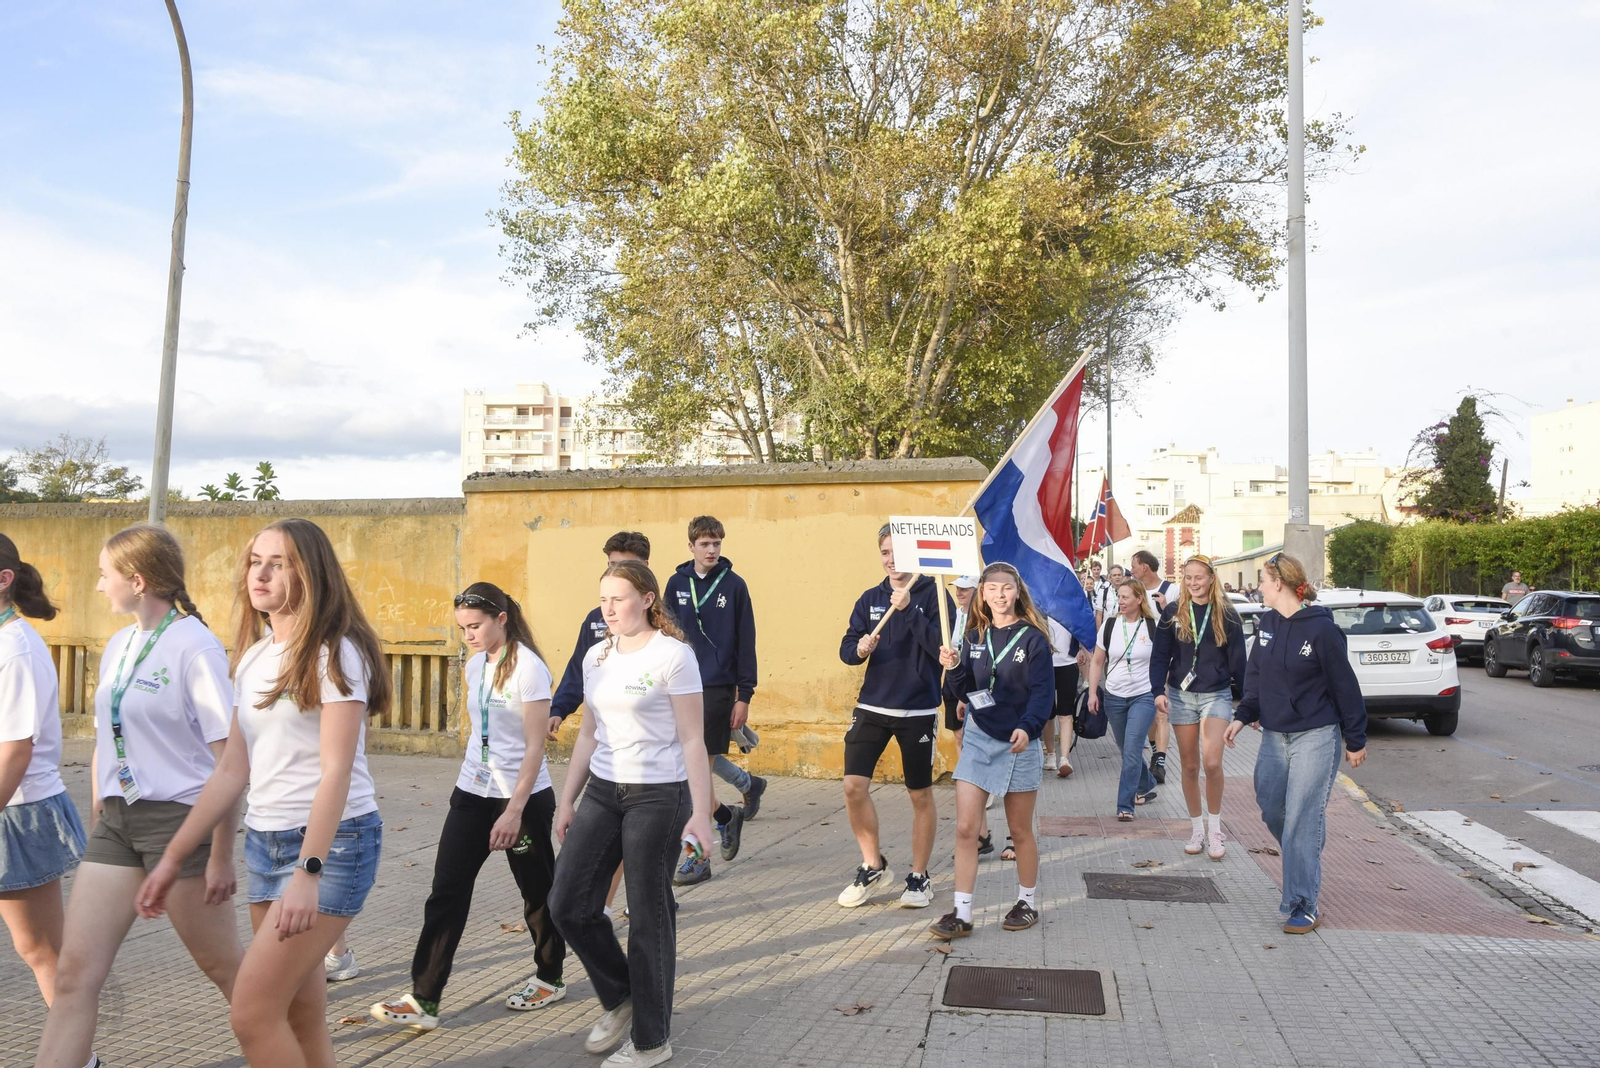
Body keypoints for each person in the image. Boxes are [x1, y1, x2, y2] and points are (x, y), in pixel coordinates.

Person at [137, 518, 389, 1068]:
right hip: (267, 841)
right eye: (255, 560)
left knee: (250, 1014)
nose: (262, 573)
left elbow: (337, 772)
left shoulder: (334, 653)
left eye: (279, 562)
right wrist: (175, 856)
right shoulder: (252, 657)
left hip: (332, 844)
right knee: (299, 1013)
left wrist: (308, 872)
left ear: (312, 573)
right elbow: (231, 770)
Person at [35, 526, 244, 1068]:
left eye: (105, 575)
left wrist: (222, 854)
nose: (99, 586)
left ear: (137, 579)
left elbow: (231, 763)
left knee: (227, 972)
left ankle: (298, 1051)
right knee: (74, 975)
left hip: (180, 822)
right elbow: (110, 733)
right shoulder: (119, 644)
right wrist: (99, 802)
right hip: (116, 824)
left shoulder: (194, 645)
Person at [370, 582, 566, 1033]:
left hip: (522, 799)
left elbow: (536, 747)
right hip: (472, 793)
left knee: (537, 893)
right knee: (446, 891)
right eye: (462, 629)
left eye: (475, 626)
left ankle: (550, 976)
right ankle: (424, 998)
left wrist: (514, 811)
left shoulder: (529, 669)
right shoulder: (476, 665)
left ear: (502, 618)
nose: (469, 636)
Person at [548, 560, 712, 1068]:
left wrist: (702, 813)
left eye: (618, 598)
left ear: (646, 599)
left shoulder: (674, 656)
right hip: (602, 790)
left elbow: (692, 738)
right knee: (566, 904)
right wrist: (565, 799)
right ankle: (622, 994)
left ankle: (651, 1041)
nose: (609, 608)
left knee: (648, 917)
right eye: (603, 599)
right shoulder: (596, 655)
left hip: (659, 796)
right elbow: (589, 734)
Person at [1226, 553, 1367, 935]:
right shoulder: (1267, 624)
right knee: (1272, 808)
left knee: (1301, 819)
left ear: (1279, 584)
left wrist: (1355, 739)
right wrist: (1241, 717)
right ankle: (1305, 846)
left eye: (1262, 580)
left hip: (1316, 735)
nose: (1258, 587)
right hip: (1274, 734)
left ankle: (1303, 904)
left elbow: (1345, 686)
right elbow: (1255, 679)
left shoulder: (1322, 630)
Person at [929, 563, 1054, 940]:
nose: (1000, 595)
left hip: (1019, 740)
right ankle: (962, 913)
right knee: (967, 828)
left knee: (1019, 831)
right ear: (982, 593)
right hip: (981, 737)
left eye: (1007, 588)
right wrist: (952, 669)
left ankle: (1027, 901)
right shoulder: (973, 634)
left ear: (1018, 592)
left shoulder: (1033, 639)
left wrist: (1028, 727)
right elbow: (964, 685)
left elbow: (1043, 694)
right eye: (993, 588)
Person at [836, 525, 954, 910]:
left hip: (917, 709)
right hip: (872, 706)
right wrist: (859, 648)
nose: (890, 560)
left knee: (919, 793)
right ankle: (873, 865)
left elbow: (943, 649)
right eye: (885, 552)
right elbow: (847, 649)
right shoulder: (870, 598)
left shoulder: (936, 596)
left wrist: (909, 611)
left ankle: (919, 877)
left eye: (897, 552)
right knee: (853, 786)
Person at [551, 531, 654, 921]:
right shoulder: (595, 627)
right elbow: (578, 673)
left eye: (623, 567)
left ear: (644, 572)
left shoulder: (666, 638)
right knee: (577, 868)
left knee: (636, 857)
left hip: (650, 775)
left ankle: (608, 907)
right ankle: (598, 909)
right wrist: (559, 708)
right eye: (610, 566)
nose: (614, 573)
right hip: (605, 766)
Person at [0, 534, 84, 1008]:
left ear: (3, 579)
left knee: (42, 950)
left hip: (17, 809)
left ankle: (80, 1057)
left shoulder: (17, 649)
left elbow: (15, 752)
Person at [664, 517, 762, 885]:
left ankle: (697, 859)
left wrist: (744, 695)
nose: (711, 550)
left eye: (716, 543)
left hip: (717, 690)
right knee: (688, 778)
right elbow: (664, 633)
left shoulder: (735, 586)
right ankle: (725, 818)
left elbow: (746, 641)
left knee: (694, 778)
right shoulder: (675, 584)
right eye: (704, 543)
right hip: (678, 687)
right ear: (690, 546)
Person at [1150, 555, 1246, 860]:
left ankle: (1216, 831)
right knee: (1190, 766)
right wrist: (1157, 691)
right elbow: (1160, 655)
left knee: (1213, 763)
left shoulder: (1227, 614)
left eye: (1199, 578)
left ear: (1211, 579)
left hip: (1216, 695)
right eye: (1188, 578)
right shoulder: (1173, 612)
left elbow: (1240, 663)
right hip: (1180, 696)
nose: (1193, 583)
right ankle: (1196, 829)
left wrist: (1248, 706)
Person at [1087, 581, 1160, 821]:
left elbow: (1162, 661)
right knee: (1124, 747)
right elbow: (1097, 661)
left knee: (1132, 749)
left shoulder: (1152, 626)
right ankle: (1146, 781)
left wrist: (1160, 690)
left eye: (1126, 596)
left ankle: (1125, 805)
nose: (1121, 600)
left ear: (1139, 599)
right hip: (1114, 696)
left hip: (1143, 695)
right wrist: (1092, 692)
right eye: (1119, 596)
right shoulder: (1109, 625)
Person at [1129, 550, 1175, 784]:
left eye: (1134, 565)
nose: (1132, 570)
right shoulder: (1133, 591)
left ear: (1145, 567)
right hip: (1139, 661)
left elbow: (1183, 623)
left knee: (1160, 710)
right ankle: (1156, 747)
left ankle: (1160, 760)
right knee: (1147, 713)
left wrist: (1166, 608)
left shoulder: (1171, 590)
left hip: (1163, 659)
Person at [1047, 616, 1088, 779]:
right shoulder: (1039, 605)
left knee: (1066, 714)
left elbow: (1082, 627)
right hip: (1044, 665)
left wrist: (1082, 648)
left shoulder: (1070, 606)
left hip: (1068, 664)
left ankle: (1064, 759)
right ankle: (1050, 754)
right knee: (1047, 714)